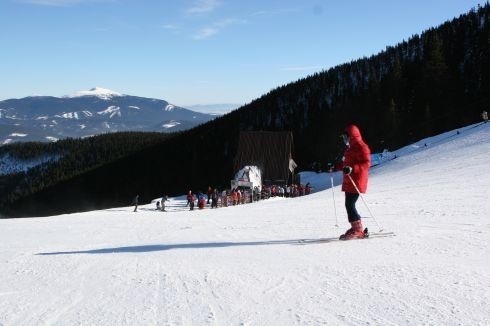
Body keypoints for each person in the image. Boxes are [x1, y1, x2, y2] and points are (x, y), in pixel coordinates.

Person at [339, 124, 371, 240]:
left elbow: (367, 163)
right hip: (350, 181)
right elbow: (346, 165)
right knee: (349, 205)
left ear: (351, 136)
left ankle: (358, 230)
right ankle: (355, 228)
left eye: (345, 137)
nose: (344, 140)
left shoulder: (362, 147)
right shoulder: (350, 149)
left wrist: (353, 169)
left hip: (357, 181)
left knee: (350, 204)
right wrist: (335, 167)